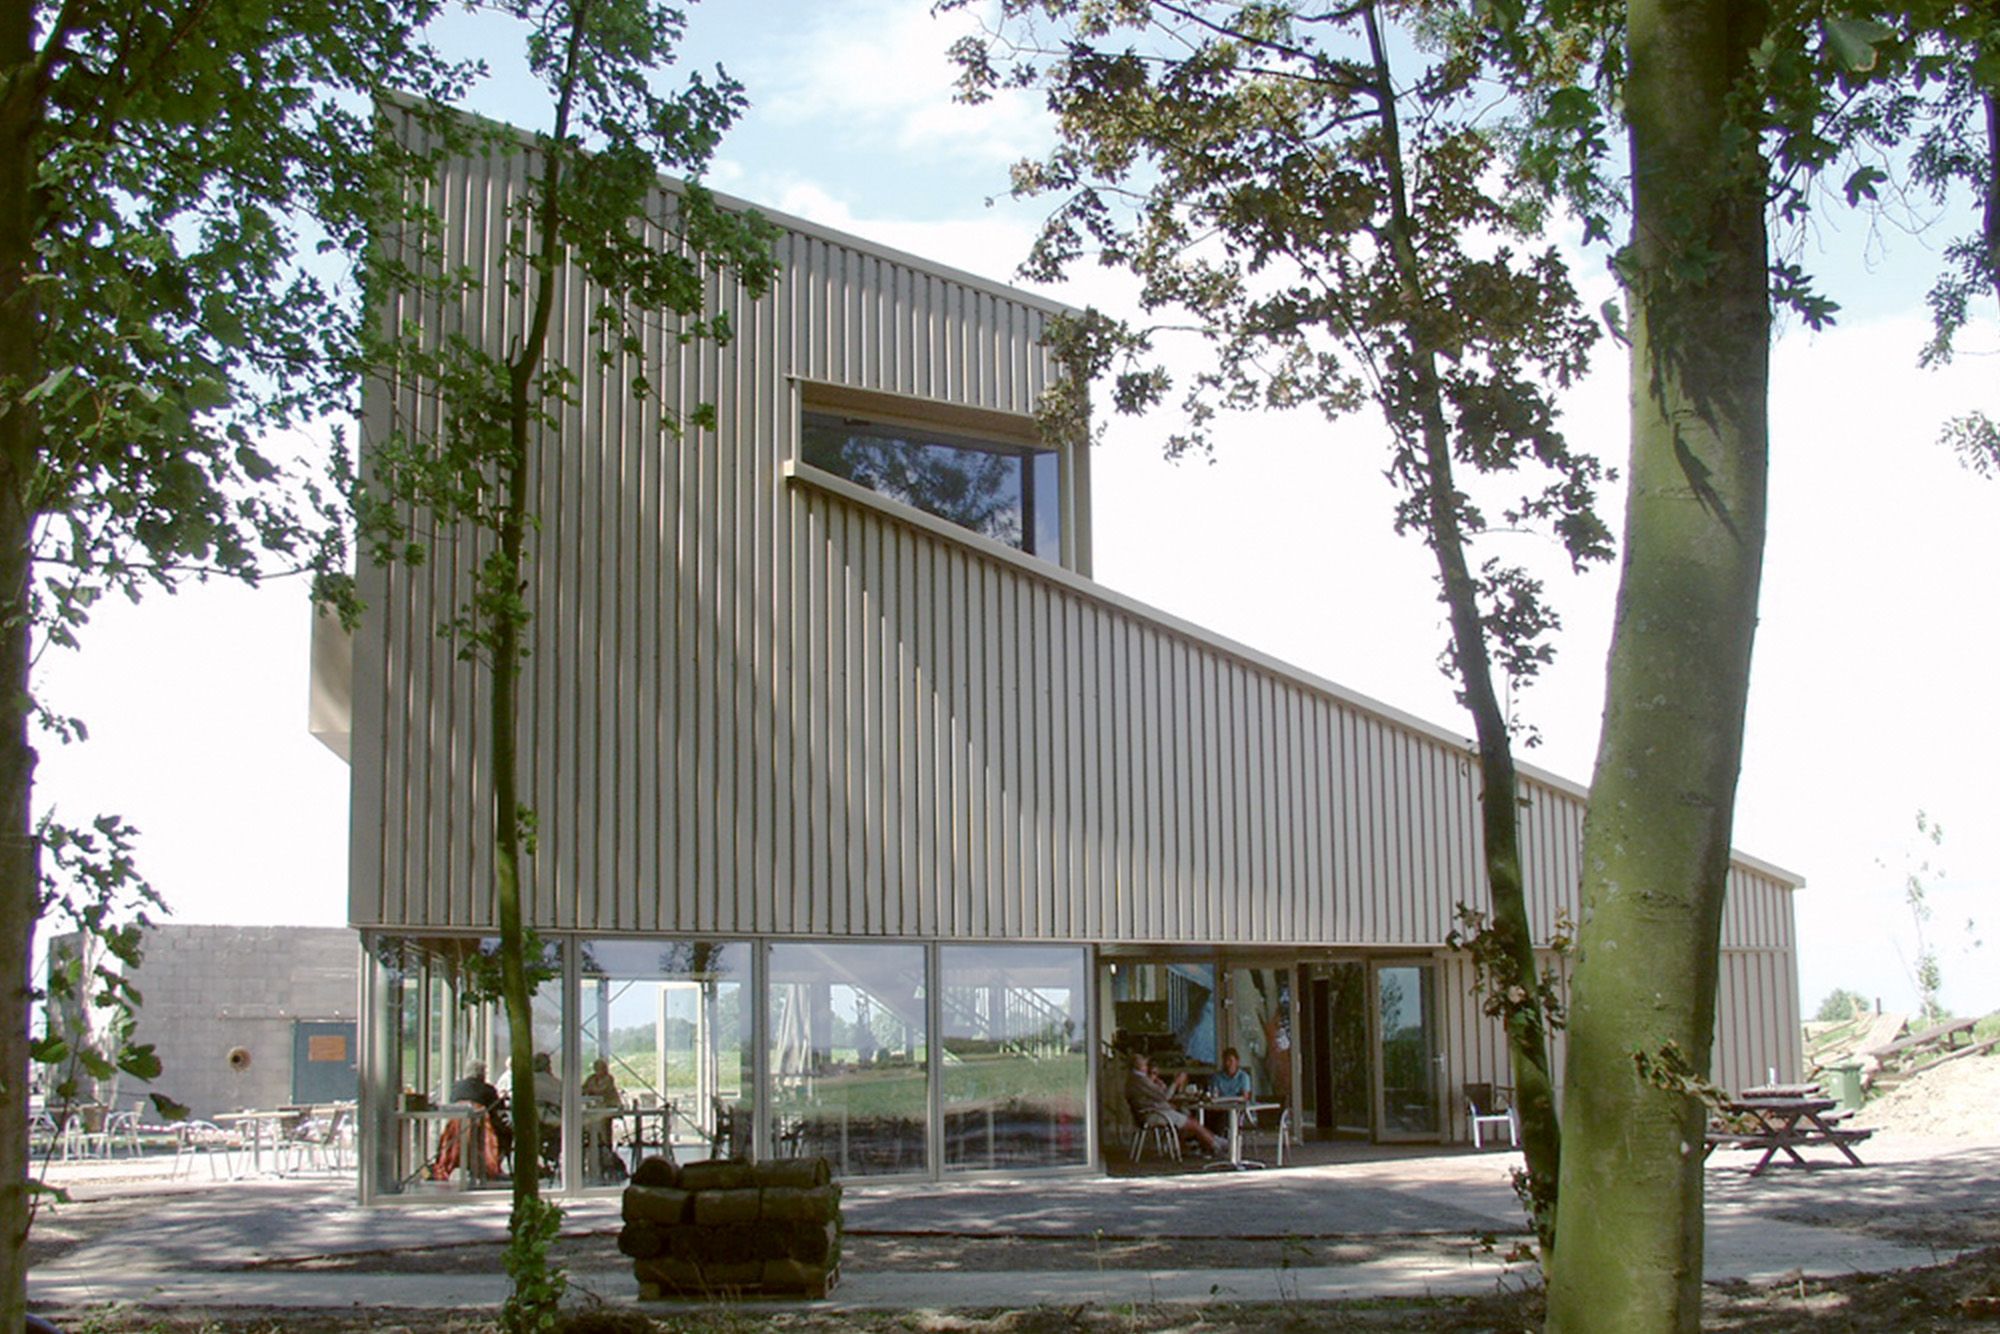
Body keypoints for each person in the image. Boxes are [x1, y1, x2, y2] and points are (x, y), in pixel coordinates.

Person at [1125, 1053, 1220, 1158]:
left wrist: (1160, 1086)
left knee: (1184, 1115)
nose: (1146, 1066)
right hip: (1153, 1114)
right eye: (1145, 1063)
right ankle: (1216, 1144)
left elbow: (1156, 1097)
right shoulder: (1140, 1080)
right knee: (1193, 1124)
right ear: (1139, 1065)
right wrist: (1176, 1082)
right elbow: (1164, 1096)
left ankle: (1191, 1146)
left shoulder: (1133, 1080)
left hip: (1149, 1113)